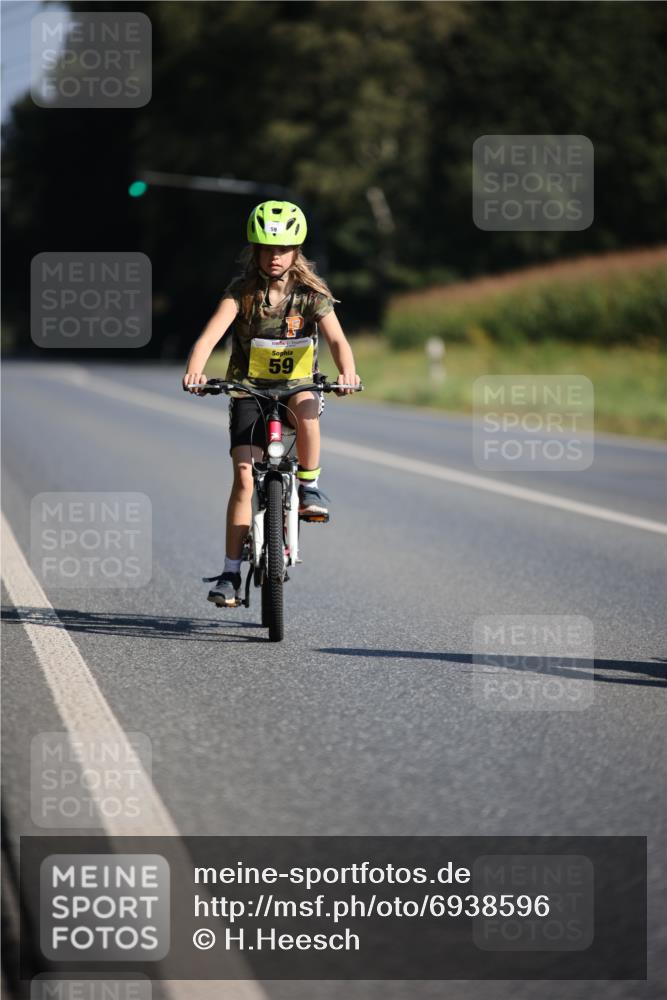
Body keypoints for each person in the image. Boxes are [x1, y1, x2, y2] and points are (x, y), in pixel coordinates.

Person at [183, 200, 361, 606]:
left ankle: (310, 488)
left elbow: (337, 340)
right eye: (266, 248)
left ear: (296, 252)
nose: (274, 256)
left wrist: (347, 372)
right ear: (255, 251)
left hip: (297, 385)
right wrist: (196, 369)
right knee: (245, 478)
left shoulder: (311, 295)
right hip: (250, 389)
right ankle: (230, 573)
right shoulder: (242, 294)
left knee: (308, 408)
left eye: (282, 249)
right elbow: (210, 335)